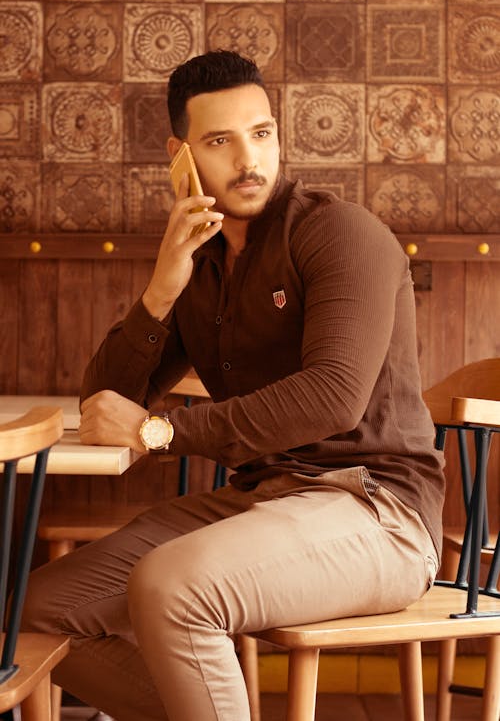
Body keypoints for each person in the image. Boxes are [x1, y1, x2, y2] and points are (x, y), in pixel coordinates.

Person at [22, 50, 444, 721]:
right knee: (38, 609)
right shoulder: (202, 265)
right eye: (220, 141)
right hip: (261, 501)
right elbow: (105, 401)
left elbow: (333, 395)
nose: (249, 158)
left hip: (376, 513)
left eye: (261, 133)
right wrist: (162, 287)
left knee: (170, 585)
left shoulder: (338, 232)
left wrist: (158, 431)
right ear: (180, 156)